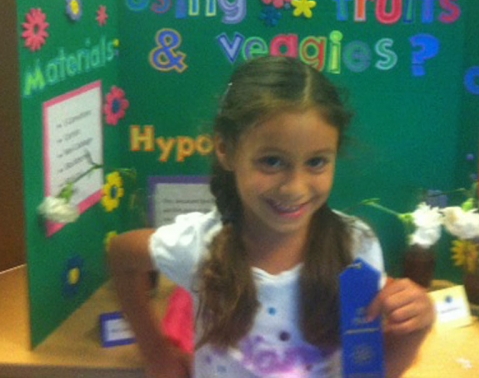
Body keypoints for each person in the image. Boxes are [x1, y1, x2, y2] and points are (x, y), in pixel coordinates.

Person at [109, 56, 434, 377]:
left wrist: (414, 331)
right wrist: (155, 350)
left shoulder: (354, 249)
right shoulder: (200, 246)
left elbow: (369, 370)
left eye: (317, 162)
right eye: (272, 161)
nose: (294, 188)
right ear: (226, 149)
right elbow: (122, 254)